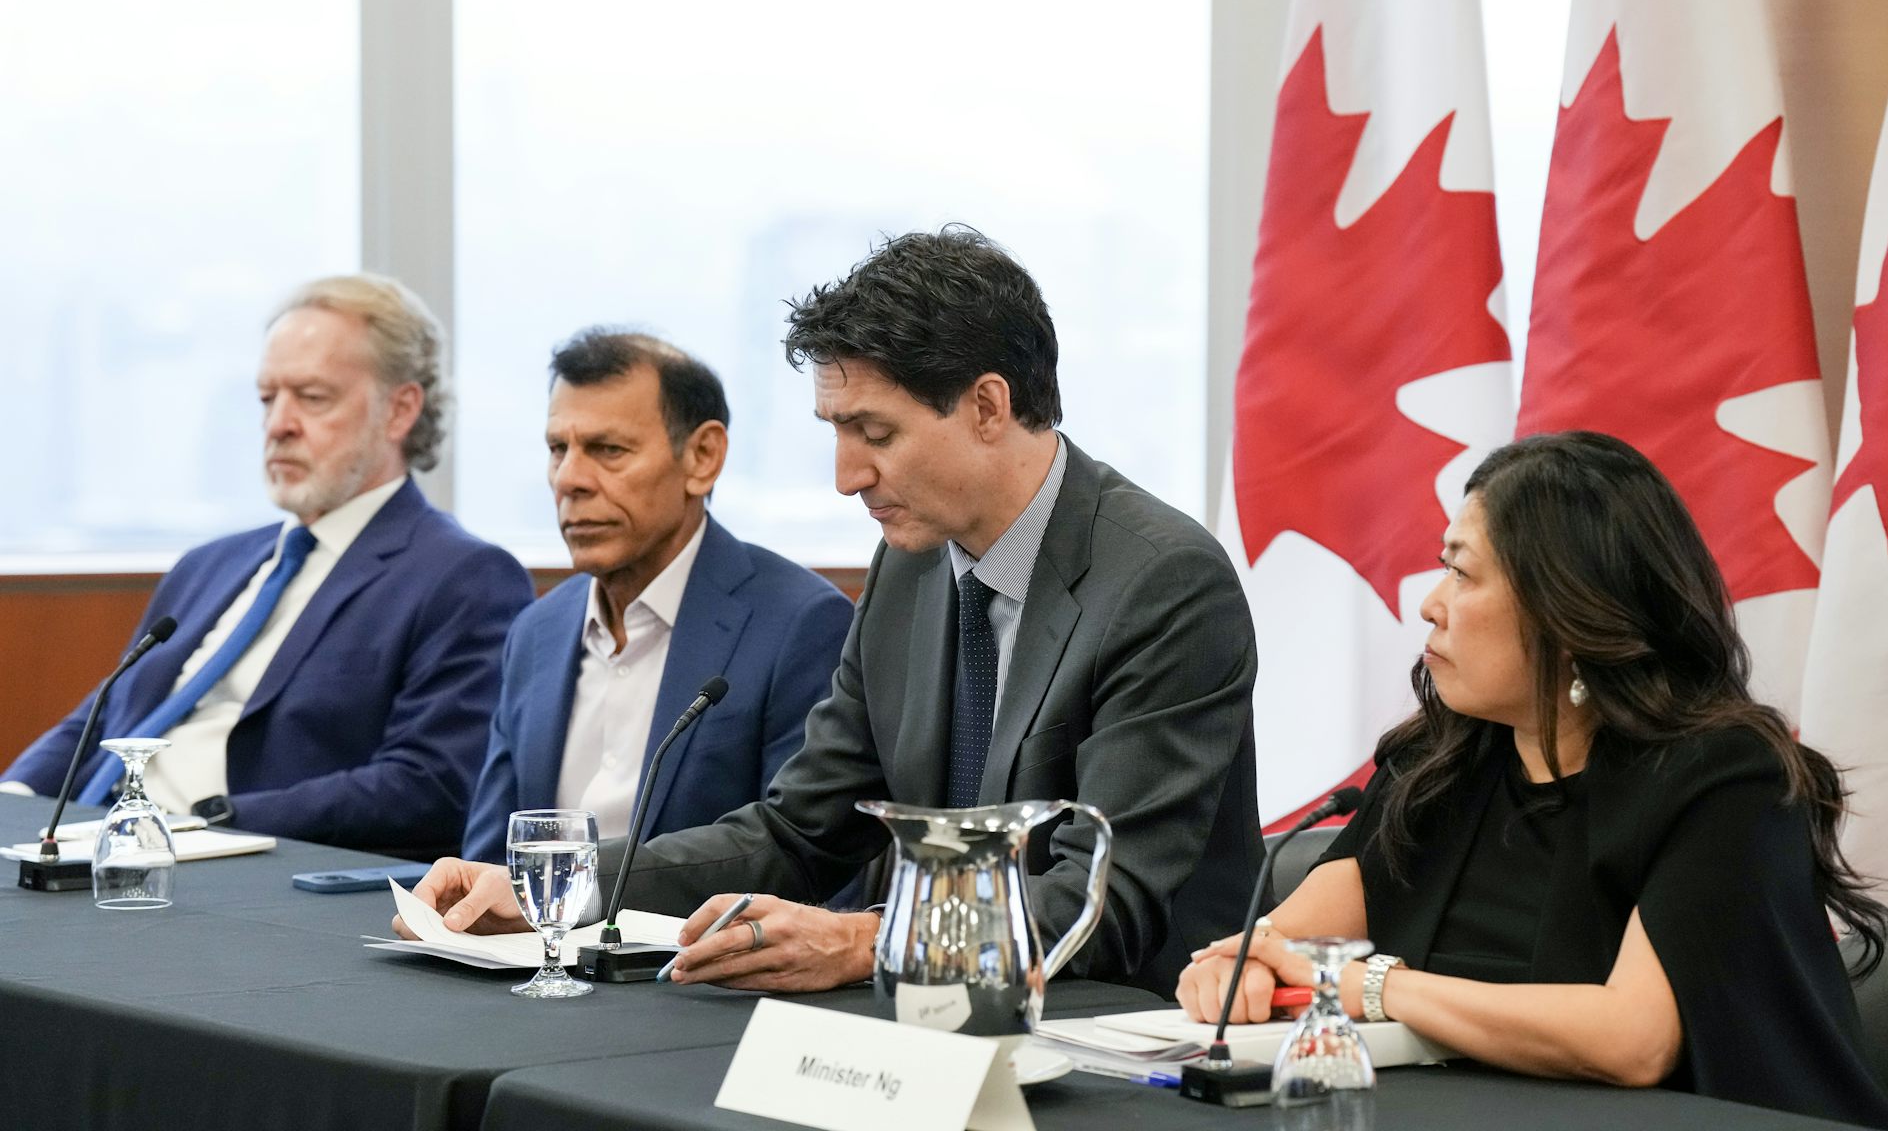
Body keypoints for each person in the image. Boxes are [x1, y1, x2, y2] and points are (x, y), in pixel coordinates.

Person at [399, 226, 1263, 996]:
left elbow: (1100, 903)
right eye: (834, 431)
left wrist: (864, 938)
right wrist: (574, 883)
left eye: (876, 434)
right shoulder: (910, 565)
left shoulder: (1163, 580)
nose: (847, 476)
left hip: (1122, 1029)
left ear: (989, 407)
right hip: (933, 1015)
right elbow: (798, 830)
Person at [1178, 431, 1888, 1129]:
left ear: (1569, 608)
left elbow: (1632, 1041)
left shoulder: (1725, 779)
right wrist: (1232, 972)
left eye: (1461, 573)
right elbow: (1278, 944)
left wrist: (1374, 986)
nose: (1430, 603)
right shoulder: (1441, 766)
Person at [2, 275, 534, 855]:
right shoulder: (207, 566)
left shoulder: (461, 576)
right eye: (266, 398)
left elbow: (429, 785)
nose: (278, 423)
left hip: (237, 869)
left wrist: (206, 824)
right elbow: (100, 722)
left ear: (400, 410)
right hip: (101, 852)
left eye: (312, 397)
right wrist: (14, 800)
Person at [460, 328, 852, 862]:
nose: (569, 479)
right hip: (531, 943)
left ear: (702, 457)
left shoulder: (798, 624)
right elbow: (488, 863)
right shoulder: (538, 630)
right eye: (558, 449)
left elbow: (805, 861)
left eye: (608, 450)